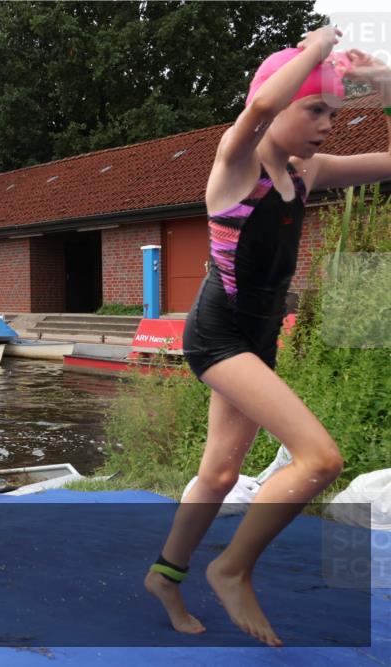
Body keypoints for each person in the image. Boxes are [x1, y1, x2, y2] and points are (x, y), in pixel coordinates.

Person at [146, 30, 391, 647]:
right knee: (321, 459)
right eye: (315, 109)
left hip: (258, 340)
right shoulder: (235, 165)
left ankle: (166, 576)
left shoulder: (309, 174)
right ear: (278, 100)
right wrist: (315, 51)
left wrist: (377, 81)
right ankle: (232, 569)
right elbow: (256, 109)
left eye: (334, 112)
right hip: (219, 334)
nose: (329, 124)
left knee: (221, 474)